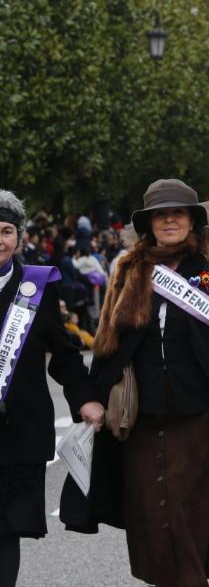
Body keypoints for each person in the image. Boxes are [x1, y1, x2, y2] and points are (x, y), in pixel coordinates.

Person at [60, 178, 209, 587]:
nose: (169, 220)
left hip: (195, 421)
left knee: (188, 517)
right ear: (148, 224)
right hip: (140, 423)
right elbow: (109, 343)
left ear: (191, 222)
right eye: (160, 215)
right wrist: (91, 399)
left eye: (177, 213)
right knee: (149, 518)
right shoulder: (128, 271)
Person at [0, 190, 104, 587]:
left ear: (19, 236)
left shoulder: (36, 287)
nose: (0, 240)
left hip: (18, 434)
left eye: (7, 230)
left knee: (6, 535)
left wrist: (87, 399)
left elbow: (63, 355)